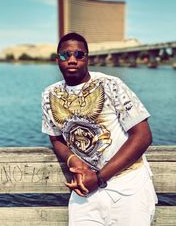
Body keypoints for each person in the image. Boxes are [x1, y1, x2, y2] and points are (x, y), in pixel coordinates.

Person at [42, 32, 157, 226]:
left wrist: (99, 177)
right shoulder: (49, 94)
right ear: (57, 60)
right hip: (85, 189)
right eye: (65, 55)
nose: (72, 60)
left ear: (87, 58)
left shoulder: (111, 85)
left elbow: (143, 135)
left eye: (79, 55)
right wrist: (75, 162)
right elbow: (56, 138)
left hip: (128, 187)